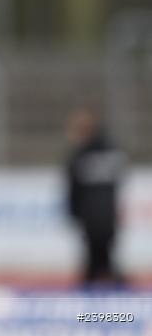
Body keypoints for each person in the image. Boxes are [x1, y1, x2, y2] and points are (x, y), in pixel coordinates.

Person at [65, 106, 127, 287]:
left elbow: (73, 189)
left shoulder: (79, 155)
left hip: (91, 215)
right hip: (108, 214)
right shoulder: (112, 150)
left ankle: (91, 305)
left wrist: (74, 212)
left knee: (96, 261)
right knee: (105, 258)